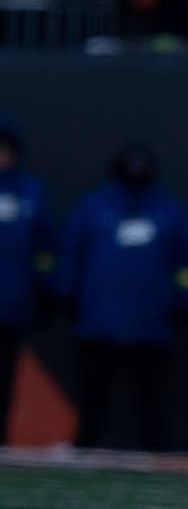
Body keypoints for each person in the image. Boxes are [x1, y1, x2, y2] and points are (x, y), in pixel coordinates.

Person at [56, 144, 188, 451]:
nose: (135, 172)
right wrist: (67, 295)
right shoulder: (92, 209)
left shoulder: (169, 212)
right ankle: (84, 451)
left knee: (153, 403)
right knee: (92, 400)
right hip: (98, 324)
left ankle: (157, 458)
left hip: (152, 325)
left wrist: (186, 300)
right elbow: (71, 257)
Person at [0, 113, 56, 445]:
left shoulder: (31, 193)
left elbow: (45, 249)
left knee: (4, 382)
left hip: (11, 306)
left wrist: (45, 290)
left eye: (4, 148)